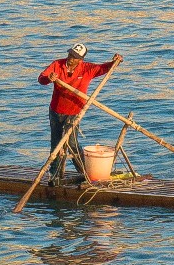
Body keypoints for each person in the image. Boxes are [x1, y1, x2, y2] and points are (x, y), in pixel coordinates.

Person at [37, 43, 120, 182]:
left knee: (72, 142)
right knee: (56, 143)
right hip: (56, 110)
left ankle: (84, 172)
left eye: (74, 57)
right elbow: (41, 78)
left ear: (80, 60)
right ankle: (55, 174)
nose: (70, 58)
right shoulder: (57, 64)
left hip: (74, 112)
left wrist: (115, 61)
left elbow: (103, 68)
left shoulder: (87, 69)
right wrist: (48, 78)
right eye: (70, 54)